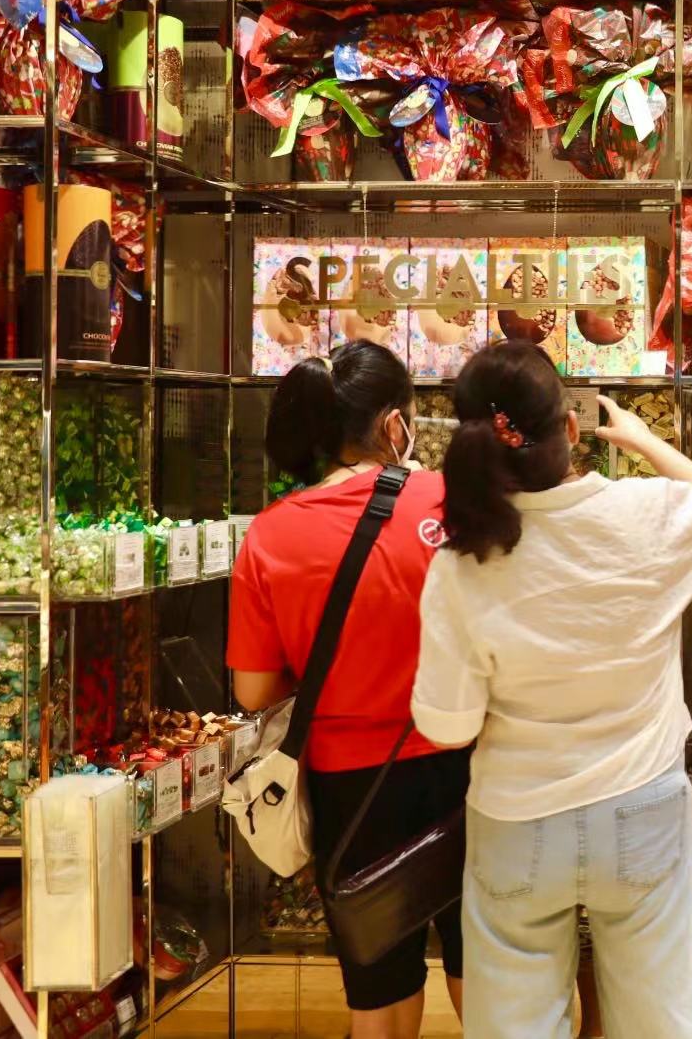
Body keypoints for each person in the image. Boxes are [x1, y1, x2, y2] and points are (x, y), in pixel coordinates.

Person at [411, 340, 692, 1039]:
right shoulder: (645, 516)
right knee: (660, 1022)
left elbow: (448, 727)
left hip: (516, 817)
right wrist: (642, 440)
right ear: (573, 428)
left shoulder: (461, 562)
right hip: (643, 806)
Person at [227, 341, 466, 1039]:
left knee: (379, 988)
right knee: (485, 965)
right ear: (396, 425)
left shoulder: (270, 535)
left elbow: (253, 690)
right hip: (468, 768)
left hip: (352, 787)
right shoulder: (449, 500)